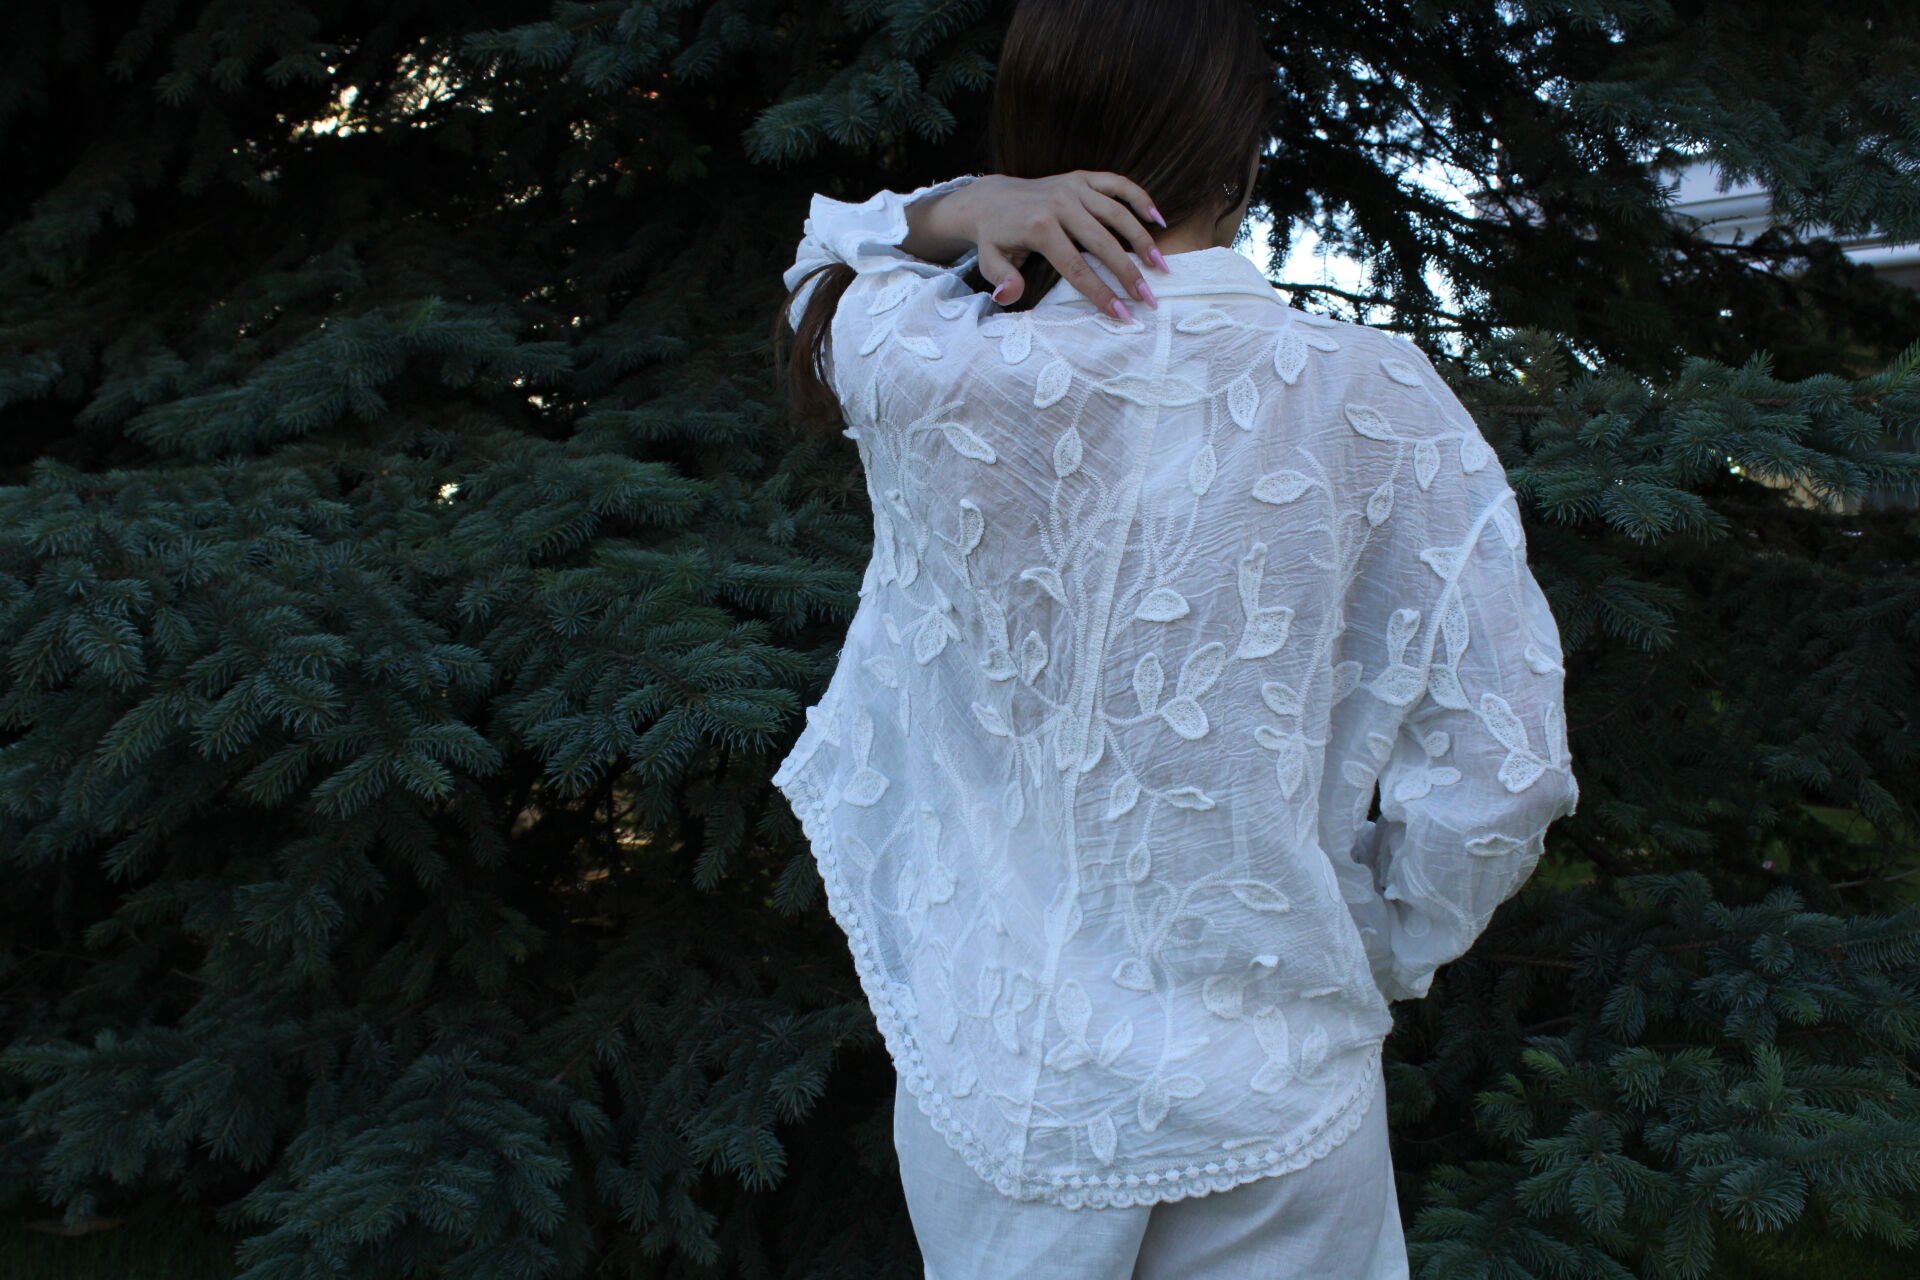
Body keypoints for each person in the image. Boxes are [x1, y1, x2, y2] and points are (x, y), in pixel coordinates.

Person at [768, 1, 1579, 1274]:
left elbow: (825, 259)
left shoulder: (923, 362)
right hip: (1276, 1087)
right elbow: (1506, 769)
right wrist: (1369, 943)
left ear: (1034, 143)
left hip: (997, 1078)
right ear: (1242, 157)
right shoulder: (1372, 398)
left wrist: (967, 206)